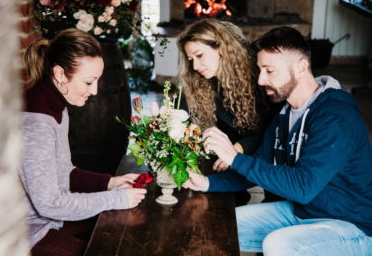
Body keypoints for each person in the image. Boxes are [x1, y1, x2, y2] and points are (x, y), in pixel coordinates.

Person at [183, 27, 372, 255]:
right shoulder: (285, 115)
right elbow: (258, 164)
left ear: (301, 67)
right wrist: (207, 183)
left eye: (269, 71)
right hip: (303, 212)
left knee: (279, 244)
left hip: (352, 226)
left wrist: (234, 157)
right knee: (220, 223)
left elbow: (303, 187)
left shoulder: (335, 116)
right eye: (260, 70)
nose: (261, 80)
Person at [21, 28, 147, 256]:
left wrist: (110, 183)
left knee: (129, 227)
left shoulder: (57, 104)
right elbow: (50, 204)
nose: (95, 91)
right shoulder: (36, 122)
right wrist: (115, 198)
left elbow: (65, 172)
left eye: (97, 81)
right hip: (29, 231)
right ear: (60, 74)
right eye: (89, 82)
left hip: (51, 219)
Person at [177, 19, 280, 205]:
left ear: (222, 48)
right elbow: (181, 118)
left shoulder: (259, 78)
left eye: (200, 55)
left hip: (253, 155)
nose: (194, 66)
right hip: (215, 155)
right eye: (191, 59)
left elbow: (269, 132)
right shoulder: (198, 79)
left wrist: (236, 149)